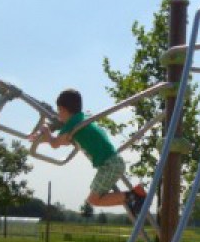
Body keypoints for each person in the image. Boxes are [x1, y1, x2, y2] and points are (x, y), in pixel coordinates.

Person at [30, 88, 146, 217]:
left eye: (59, 111)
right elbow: (66, 141)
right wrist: (49, 136)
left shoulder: (73, 124)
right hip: (113, 163)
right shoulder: (81, 119)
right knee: (95, 198)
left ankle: (134, 196)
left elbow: (56, 144)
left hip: (109, 166)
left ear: (62, 109)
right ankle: (132, 198)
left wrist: (46, 133)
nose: (58, 115)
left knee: (93, 199)